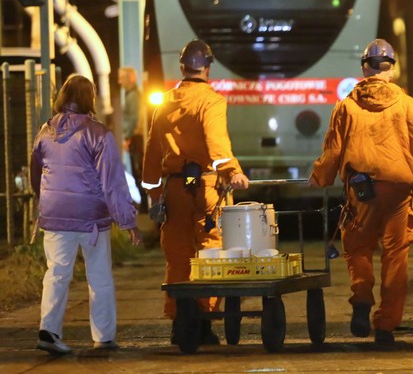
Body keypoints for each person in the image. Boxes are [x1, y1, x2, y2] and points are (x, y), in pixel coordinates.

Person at [308, 38, 413, 346]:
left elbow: (333, 150)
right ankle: (386, 327)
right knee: (396, 256)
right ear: (391, 70)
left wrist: (320, 177)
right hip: (399, 192)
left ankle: (363, 296)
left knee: (357, 247)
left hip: (362, 192)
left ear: (364, 69)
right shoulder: (411, 106)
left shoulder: (347, 107)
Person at [141, 38, 249, 345]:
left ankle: (180, 323)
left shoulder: (163, 102)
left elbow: (151, 153)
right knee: (210, 251)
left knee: (177, 254)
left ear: (182, 66)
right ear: (208, 68)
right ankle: (203, 321)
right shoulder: (211, 100)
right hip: (205, 186)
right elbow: (216, 143)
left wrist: (153, 193)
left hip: (175, 187)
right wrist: (232, 172)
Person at [30, 75, 142, 356]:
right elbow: (112, 182)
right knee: (99, 275)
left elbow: (36, 173)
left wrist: (43, 201)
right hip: (90, 217)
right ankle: (103, 337)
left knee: (56, 273)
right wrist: (127, 221)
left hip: (54, 215)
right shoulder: (98, 133)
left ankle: (49, 329)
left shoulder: (45, 131)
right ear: (89, 98)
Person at [118, 66, 145, 211]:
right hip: (134, 138)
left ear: (131, 78)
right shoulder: (132, 95)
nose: (119, 81)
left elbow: (135, 119)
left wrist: (128, 138)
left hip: (135, 138)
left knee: (138, 172)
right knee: (137, 172)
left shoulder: (133, 96)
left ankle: (144, 209)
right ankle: (144, 208)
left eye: (122, 77)